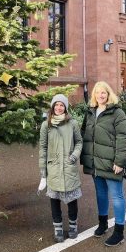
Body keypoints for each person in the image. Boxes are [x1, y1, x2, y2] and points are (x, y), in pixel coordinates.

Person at [81, 81, 126, 247]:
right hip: (96, 162)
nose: (100, 95)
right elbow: (84, 135)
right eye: (97, 93)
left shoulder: (117, 113)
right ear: (94, 95)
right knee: (100, 194)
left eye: (104, 93)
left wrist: (119, 161)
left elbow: (123, 138)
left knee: (117, 196)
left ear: (109, 94)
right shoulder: (90, 112)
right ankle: (103, 224)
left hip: (112, 163)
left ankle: (119, 232)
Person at [38, 94, 83, 242]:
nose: (58, 108)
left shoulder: (73, 124)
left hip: (69, 167)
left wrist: (74, 156)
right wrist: (43, 170)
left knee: (72, 200)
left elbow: (79, 142)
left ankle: (73, 226)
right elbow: (43, 148)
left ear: (65, 107)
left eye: (61, 105)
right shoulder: (46, 125)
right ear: (52, 107)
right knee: (54, 200)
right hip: (54, 169)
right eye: (56, 105)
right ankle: (58, 228)